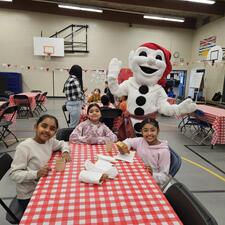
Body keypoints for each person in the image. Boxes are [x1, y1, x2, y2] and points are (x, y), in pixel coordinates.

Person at [9, 115, 70, 217]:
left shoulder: (49, 142)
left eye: (52, 129)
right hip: (29, 195)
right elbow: (14, 174)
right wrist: (36, 173)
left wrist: (65, 151)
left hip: (44, 187)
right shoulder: (24, 147)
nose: (47, 130)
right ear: (36, 126)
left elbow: (62, 143)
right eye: (44, 126)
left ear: (54, 133)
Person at [116, 118, 170, 188]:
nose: (149, 133)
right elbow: (128, 141)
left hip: (151, 182)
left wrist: (152, 174)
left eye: (152, 130)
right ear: (141, 132)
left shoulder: (164, 151)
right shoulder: (140, 141)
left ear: (158, 131)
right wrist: (124, 147)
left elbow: (164, 177)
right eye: (145, 131)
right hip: (138, 174)